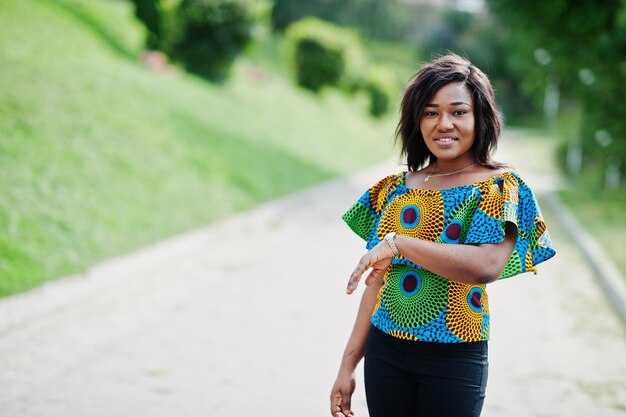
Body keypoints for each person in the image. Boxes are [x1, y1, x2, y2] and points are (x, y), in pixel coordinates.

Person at [329, 54, 556, 417]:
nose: (443, 123)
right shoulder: (395, 189)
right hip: (384, 353)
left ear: (481, 118)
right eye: (430, 112)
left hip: (454, 360)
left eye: (458, 111)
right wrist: (347, 364)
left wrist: (400, 243)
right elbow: (376, 284)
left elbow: (486, 265)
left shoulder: (498, 189)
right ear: (416, 120)